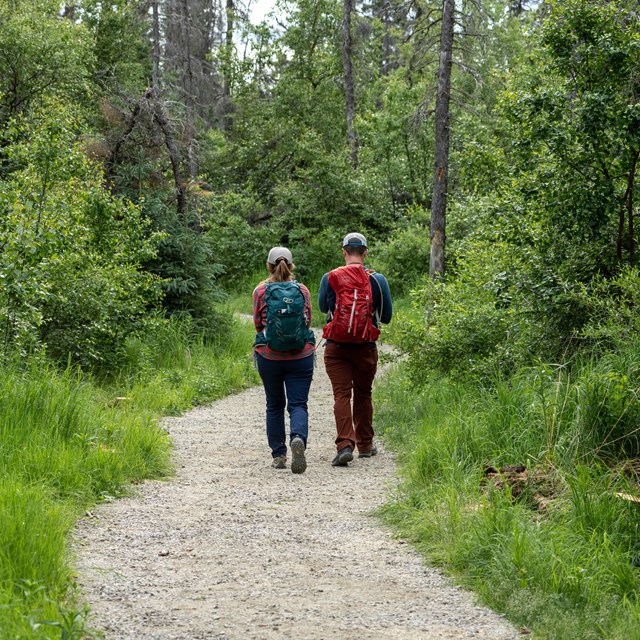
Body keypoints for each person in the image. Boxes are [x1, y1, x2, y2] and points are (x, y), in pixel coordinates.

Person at [318, 232, 393, 467]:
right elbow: (387, 317)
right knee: (363, 394)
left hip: (337, 347)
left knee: (342, 395)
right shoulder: (378, 280)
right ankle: (366, 445)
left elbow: (323, 307)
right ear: (365, 252)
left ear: (343, 252)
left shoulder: (330, 277)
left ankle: (344, 446)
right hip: (365, 347)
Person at [253, 246, 315, 474]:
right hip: (301, 356)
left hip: (269, 356)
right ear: (291, 266)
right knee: (298, 404)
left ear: (269, 266)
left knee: (274, 404)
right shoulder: (302, 290)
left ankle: (279, 454)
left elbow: (259, 326)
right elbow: (307, 323)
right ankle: (298, 438)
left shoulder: (260, 291)